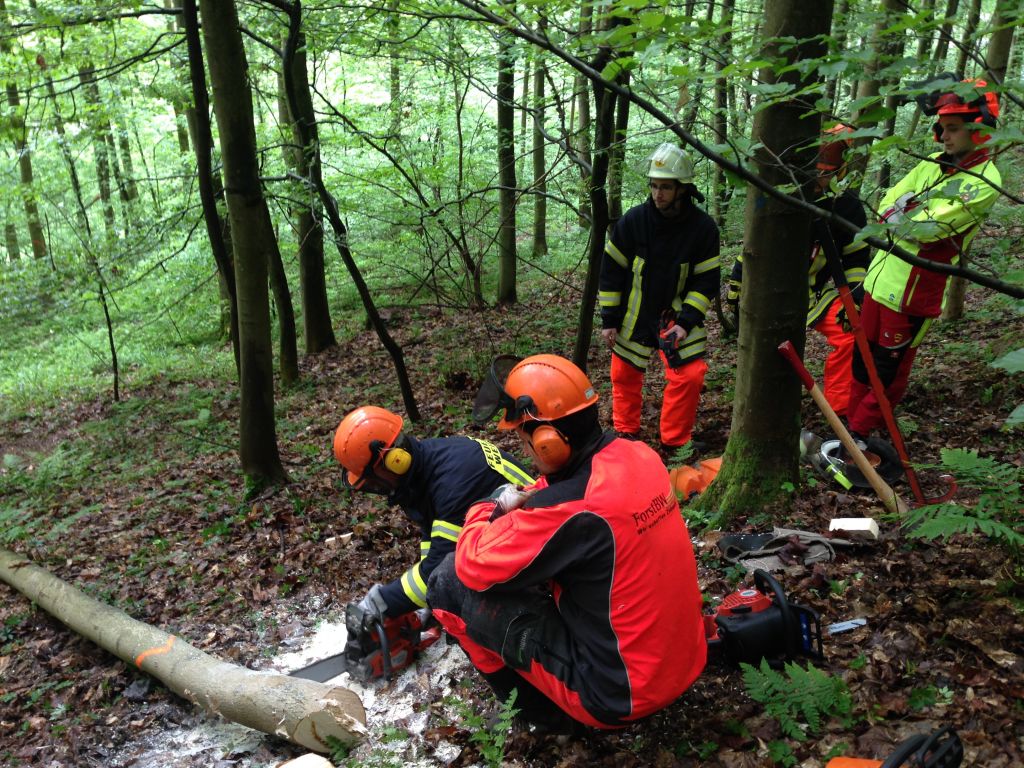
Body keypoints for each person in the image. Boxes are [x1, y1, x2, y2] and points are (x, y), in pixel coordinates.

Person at [427, 354, 707, 730]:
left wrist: (488, 506)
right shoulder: (637, 454)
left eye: (524, 441)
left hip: (617, 695)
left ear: (546, 443)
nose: (525, 451)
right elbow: (563, 493)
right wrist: (525, 497)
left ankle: (535, 715)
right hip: (683, 662)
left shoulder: (573, 508)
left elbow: (472, 564)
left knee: (448, 582)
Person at [846, 78, 1002, 442]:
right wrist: (903, 215)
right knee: (861, 360)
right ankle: (848, 427)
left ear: (977, 130)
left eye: (953, 129)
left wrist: (903, 217)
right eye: (942, 128)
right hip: (878, 280)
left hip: (914, 293)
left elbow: (931, 229)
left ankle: (862, 436)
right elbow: (889, 200)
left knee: (888, 370)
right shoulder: (931, 163)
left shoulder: (984, 180)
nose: (944, 137)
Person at [332, 405, 533, 620]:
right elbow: (434, 542)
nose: (376, 489)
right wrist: (429, 601)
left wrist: (382, 602)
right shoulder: (424, 470)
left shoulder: (454, 481)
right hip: (507, 540)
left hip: (534, 552)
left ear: (395, 460)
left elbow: (443, 565)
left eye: (373, 481)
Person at [726, 124, 870, 415]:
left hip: (813, 296)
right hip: (769, 295)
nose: (818, 179)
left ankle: (838, 411)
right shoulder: (777, 197)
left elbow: (855, 259)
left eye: (826, 172)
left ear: (838, 172)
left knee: (850, 333)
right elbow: (752, 250)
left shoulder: (846, 207)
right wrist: (737, 289)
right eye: (814, 171)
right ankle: (760, 409)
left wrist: (853, 300)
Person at [599, 142, 721, 453]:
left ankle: (674, 442)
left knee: (690, 374)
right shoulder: (633, 221)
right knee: (624, 373)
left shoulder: (703, 228)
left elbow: (706, 280)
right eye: (654, 186)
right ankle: (625, 437)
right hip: (634, 312)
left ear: (683, 188)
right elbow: (611, 272)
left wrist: (686, 323)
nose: (658, 194)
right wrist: (609, 320)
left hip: (677, 314)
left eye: (665, 187)